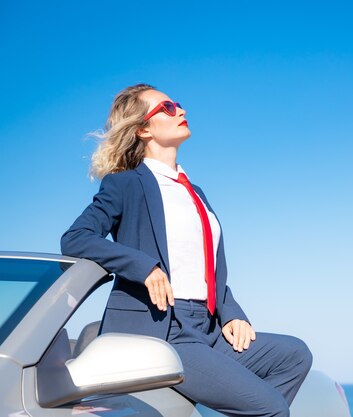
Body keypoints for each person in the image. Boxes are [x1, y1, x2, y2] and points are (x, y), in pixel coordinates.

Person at [61, 84, 312, 417]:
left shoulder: (195, 191)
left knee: (295, 355)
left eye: (177, 104)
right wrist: (144, 266)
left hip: (207, 327)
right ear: (143, 129)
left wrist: (231, 311)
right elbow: (76, 237)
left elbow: (205, 268)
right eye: (166, 107)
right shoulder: (126, 184)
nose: (180, 110)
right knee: (271, 408)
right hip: (164, 330)